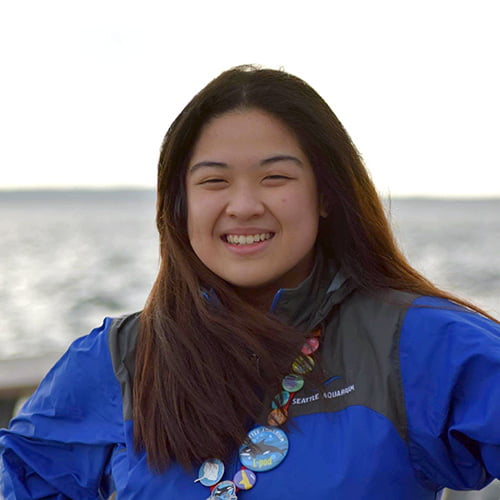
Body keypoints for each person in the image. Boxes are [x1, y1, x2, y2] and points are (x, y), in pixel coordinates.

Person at [1, 65, 499, 500]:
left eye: (275, 178)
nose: (242, 205)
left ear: (325, 195)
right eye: (214, 181)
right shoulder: (121, 360)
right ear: (180, 204)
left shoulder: (419, 343)